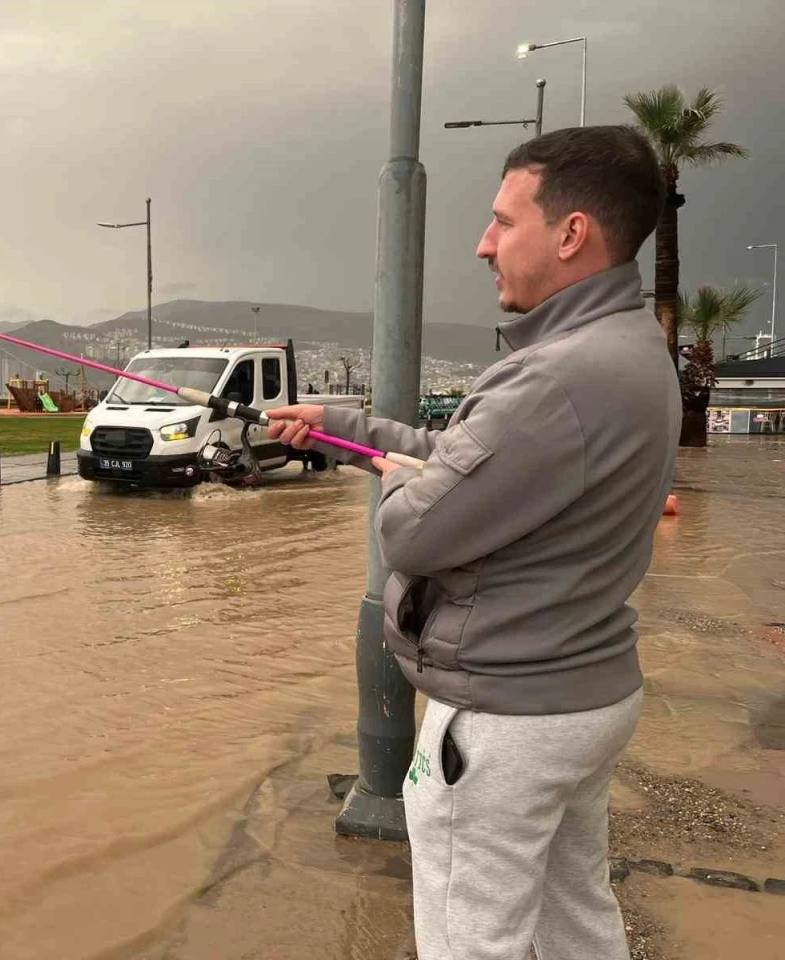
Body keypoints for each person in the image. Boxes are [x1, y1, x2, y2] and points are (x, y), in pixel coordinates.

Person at [267, 125, 678, 960]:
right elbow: (469, 460)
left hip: (505, 719)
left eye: (504, 221)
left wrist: (397, 485)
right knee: (575, 916)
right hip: (584, 696)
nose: (484, 244)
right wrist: (343, 429)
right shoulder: (630, 348)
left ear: (571, 234)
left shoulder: (553, 378)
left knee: (470, 938)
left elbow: (413, 533)